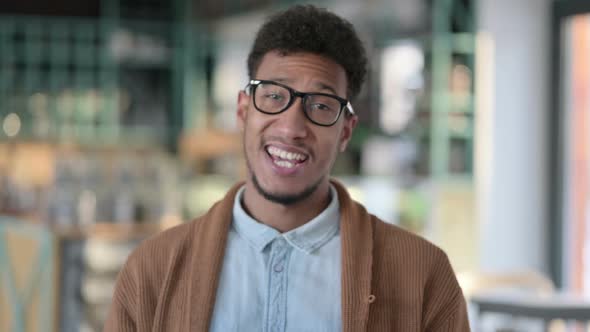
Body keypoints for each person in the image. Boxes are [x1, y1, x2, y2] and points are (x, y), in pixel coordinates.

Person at [104, 4, 470, 332]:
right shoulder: (153, 269)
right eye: (274, 96)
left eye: (322, 106)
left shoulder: (422, 275)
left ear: (345, 131)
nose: (291, 128)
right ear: (243, 111)